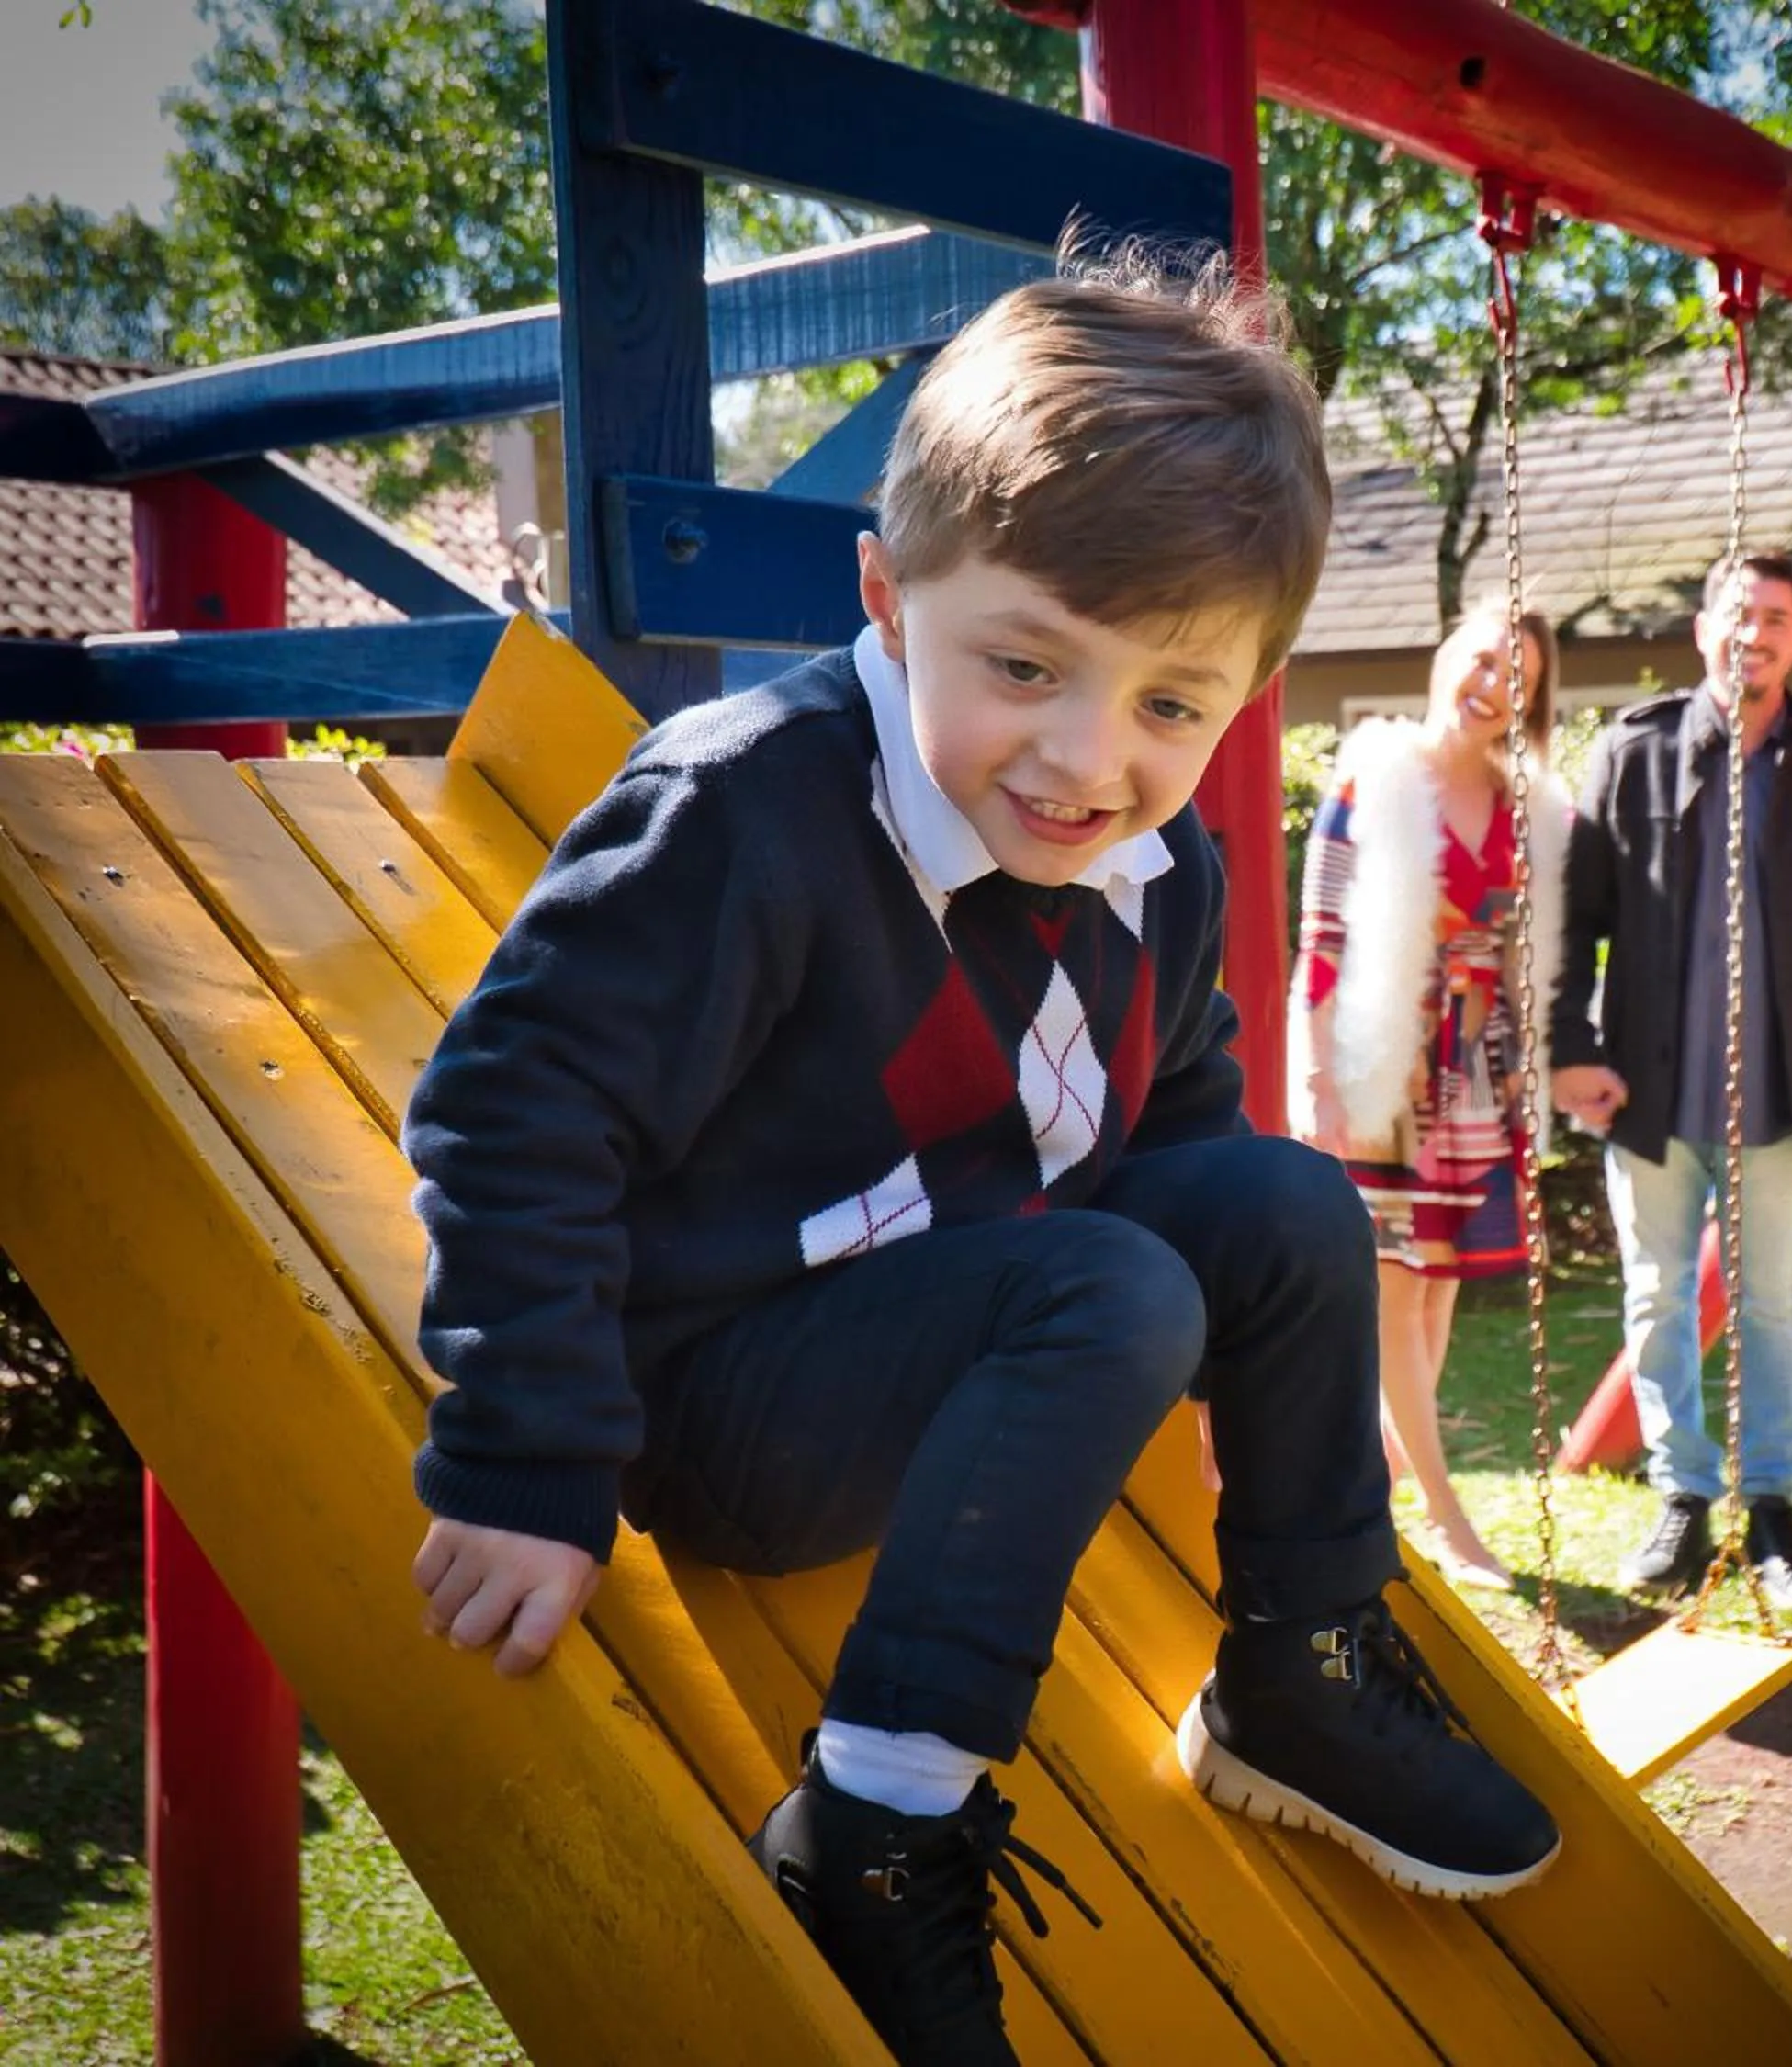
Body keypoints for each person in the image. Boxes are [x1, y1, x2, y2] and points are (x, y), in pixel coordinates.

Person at [400, 250, 1559, 2067]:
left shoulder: (1159, 870)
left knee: (1282, 1193)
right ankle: (871, 1821)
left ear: (1251, 689)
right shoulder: (747, 807)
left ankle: (1298, 1658)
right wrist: (530, 1453)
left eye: (1177, 702)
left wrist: (1220, 1351)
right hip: (727, 1397)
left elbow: (1180, 1144)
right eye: (1027, 666)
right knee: (1112, 1277)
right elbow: (515, 1104)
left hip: (971, 1327)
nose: (1092, 758)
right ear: (888, 595)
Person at [1548, 552, 1792, 1615]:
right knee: (1658, 1297)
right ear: (1704, 625)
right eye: (1738, 613)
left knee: (1770, 1308)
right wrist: (1571, 1048)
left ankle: (1773, 1513)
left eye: (1777, 618)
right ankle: (1681, 1496)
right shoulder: (1633, 749)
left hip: (1784, 1099)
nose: (1754, 632)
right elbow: (1576, 918)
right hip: (1649, 1097)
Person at [1289, 602, 1568, 1591]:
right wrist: (1318, 1079)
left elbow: (1536, 947)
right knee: (1396, 1294)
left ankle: (1385, 1473)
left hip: (1476, 1079)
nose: (1496, 682)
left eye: (1519, 677)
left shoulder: (1529, 802)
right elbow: (1320, 938)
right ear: (1450, 655)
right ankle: (1448, 1520)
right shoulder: (1374, 775)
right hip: (1387, 1063)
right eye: (1486, 658)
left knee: (1439, 1289)